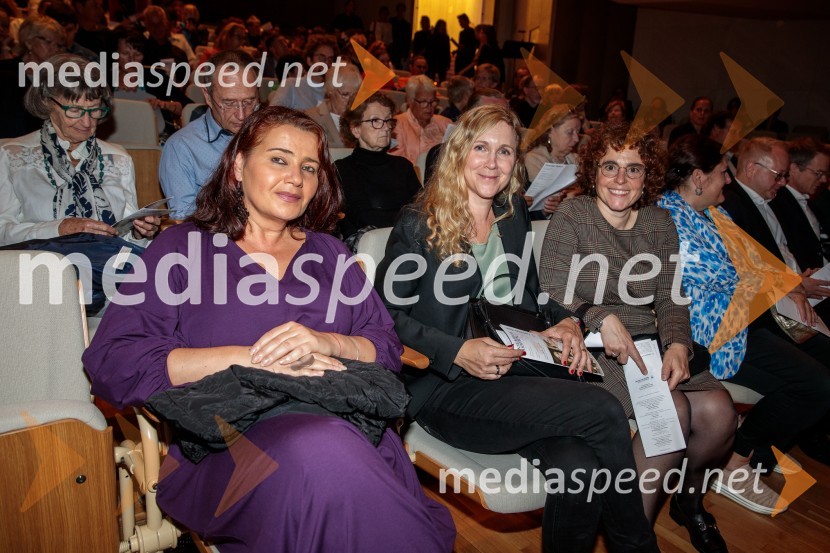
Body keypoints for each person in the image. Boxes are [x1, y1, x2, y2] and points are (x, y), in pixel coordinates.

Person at [82, 106, 455, 553]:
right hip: (230, 443)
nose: (296, 177)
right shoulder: (182, 248)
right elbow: (114, 359)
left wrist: (326, 341)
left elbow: (386, 347)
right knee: (326, 460)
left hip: (350, 427)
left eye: (309, 167)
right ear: (238, 166)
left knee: (337, 462)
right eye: (279, 159)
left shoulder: (331, 254)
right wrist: (254, 358)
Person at [377, 104, 659, 553]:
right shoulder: (419, 223)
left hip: (518, 363)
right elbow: (382, 317)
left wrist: (563, 320)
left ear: (515, 162)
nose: (492, 162)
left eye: (504, 151)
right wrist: (457, 351)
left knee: (580, 466)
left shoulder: (512, 215)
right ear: (458, 153)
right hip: (447, 386)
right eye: (481, 148)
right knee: (604, 408)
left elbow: (529, 295)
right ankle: (637, 546)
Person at [540, 123, 736, 551]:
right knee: (673, 410)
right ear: (593, 171)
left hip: (649, 338)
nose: (620, 179)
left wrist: (679, 344)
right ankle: (633, 536)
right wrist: (598, 316)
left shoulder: (659, 222)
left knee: (721, 414)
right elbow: (552, 286)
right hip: (593, 342)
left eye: (634, 169)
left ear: (648, 178)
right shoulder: (574, 215)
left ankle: (687, 500)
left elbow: (671, 296)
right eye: (610, 166)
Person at [658, 135, 830, 514]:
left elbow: (756, 265)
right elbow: (737, 273)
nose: (729, 181)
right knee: (815, 385)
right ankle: (735, 456)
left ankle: (739, 451)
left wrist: (775, 279)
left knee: (816, 382)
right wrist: (770, 278)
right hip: (706, 336)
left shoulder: (715, 213)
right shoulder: (668, 217)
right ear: (699, 178)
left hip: (737, 323)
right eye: (722, 173)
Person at [0, 54, 159, 246]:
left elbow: (125, 242)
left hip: (104, 267)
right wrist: (58, 229)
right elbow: (3, 233)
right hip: (40, 270)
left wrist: (140, 234)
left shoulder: (117, 158)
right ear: (47, 102)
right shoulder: (11, 155)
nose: (87, 122)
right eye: (74, 111)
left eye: (94, 110)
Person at [160, 50, 259, 219]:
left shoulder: (272, 136)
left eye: (249, 102)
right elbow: (185, 221)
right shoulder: (182, 147)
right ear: (207, 96)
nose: (242, 115)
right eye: (229, 103)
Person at [336, 93, 420, 242]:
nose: (386, 128)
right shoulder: (343, 168)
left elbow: (425, 212)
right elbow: (366, 218)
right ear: (355, 129)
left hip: (410, 244)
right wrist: (409, 219)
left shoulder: (403, 165)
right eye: (375, 120)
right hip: (366, 252)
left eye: (388, 121)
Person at [523, 104, 582, 217]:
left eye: (577, 132)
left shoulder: (574, 158)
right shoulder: (533, 159)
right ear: (549, 131)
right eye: (570, 132)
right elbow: (540, 204)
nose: (576, 139)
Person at [268, 34, 339, 112]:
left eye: (330, 59)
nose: (326, 62)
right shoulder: (292, 85)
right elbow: (272, 115)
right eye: (321, 58)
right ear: (309, 60)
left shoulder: (335, 91)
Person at [390, 75, 451, 165]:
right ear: (410, 101)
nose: (429, 107)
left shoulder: (446, 123)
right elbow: (396, 164)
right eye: (423, 102)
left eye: (433, 101)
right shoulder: (398, 124)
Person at [304, 64, 361, 149]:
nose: (351, 100)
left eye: (355, 95)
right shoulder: (312, 117)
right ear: (330, 91)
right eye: (345, 94)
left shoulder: (362, 116)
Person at [454, 13, 476, 78]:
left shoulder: (471, 32)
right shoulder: (464, 33)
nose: (460, 24)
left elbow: (472, 46)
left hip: (466, 59)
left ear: (466, 21)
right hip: (464, 59)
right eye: (459, 22)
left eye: (461, 22)